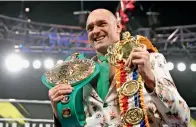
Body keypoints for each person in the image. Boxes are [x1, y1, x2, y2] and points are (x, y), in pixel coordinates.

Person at [48, 9, 190, 127]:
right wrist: (58, 112)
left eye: (102, 24)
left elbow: (182, 120)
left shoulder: (149, 59)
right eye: (90, 28)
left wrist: (150, 80)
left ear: (118, 27)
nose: (95, 31)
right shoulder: (78, 75)